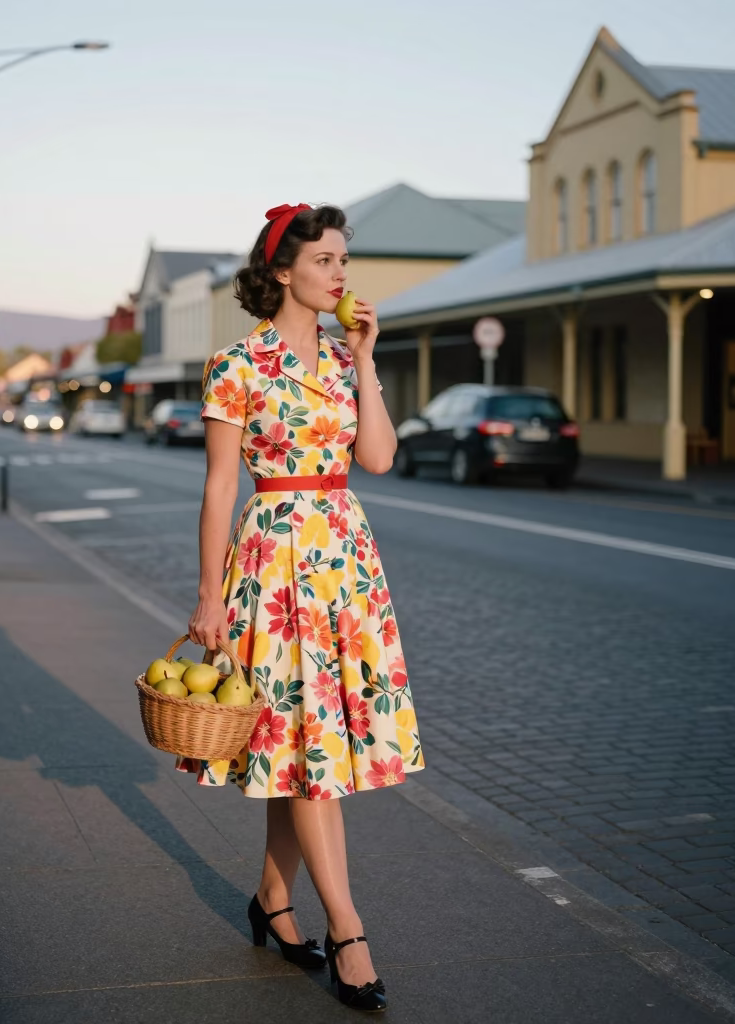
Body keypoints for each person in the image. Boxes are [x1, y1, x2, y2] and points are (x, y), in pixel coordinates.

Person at [182, 204, 424, 1013]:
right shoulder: (236, 364)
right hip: (274, 560)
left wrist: (365, 359)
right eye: (324, 260)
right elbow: (220, 486)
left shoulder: (342, 356)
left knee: (301, 744)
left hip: (344, 563)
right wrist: (210, 594)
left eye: (343, 260)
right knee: (310, 746)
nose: (340, 274)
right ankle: (349, 931)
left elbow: (381, 458)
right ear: (283, 271)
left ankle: (271, 902)